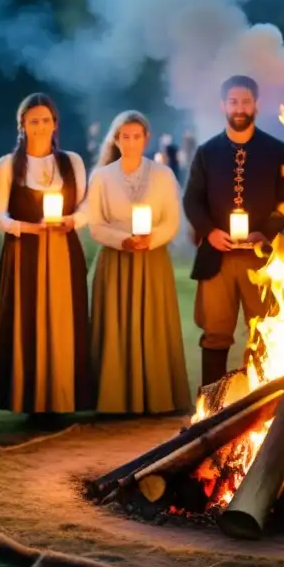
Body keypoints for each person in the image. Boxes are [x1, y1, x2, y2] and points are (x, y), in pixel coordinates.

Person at [183, 75, 284, 387]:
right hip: (216, 257)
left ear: (256, 105)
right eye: (233, 102)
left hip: (261, 258)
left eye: (246, 101)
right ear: (223, 105)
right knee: (215, 334)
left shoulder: (278, 151)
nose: (240, 108)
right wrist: (209, 232)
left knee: (265, 330)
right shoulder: (207, 152)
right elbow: (192, 200)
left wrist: (266, 231)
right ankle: (210, 408)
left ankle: (262, 404)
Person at [0, 93, 91, 424]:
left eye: (46, 120)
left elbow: (87, 206)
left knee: (62, 322)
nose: (40, 127)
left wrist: (71, 221)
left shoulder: (72, 162)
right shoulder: (7, 165)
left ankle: (62, 396)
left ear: (55, 124)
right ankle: (31, 400)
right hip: (24, 253)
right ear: (23, 125)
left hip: (63, 250)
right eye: (33, 121)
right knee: (27, 321)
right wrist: (27, 227)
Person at [88, 110, 191, 414]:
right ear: (116, 140)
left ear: (146, 139)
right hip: (115, 263)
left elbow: (172, 220)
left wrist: (151, 240)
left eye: (137, 137)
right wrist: (123, 241)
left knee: (152, 325)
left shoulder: (163, 175)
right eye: (125, 137)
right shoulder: (102, 177)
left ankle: (157, 397)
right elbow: (95, 224)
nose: (131, 143)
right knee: (116, 326)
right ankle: (114, 400)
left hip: (152, 261)